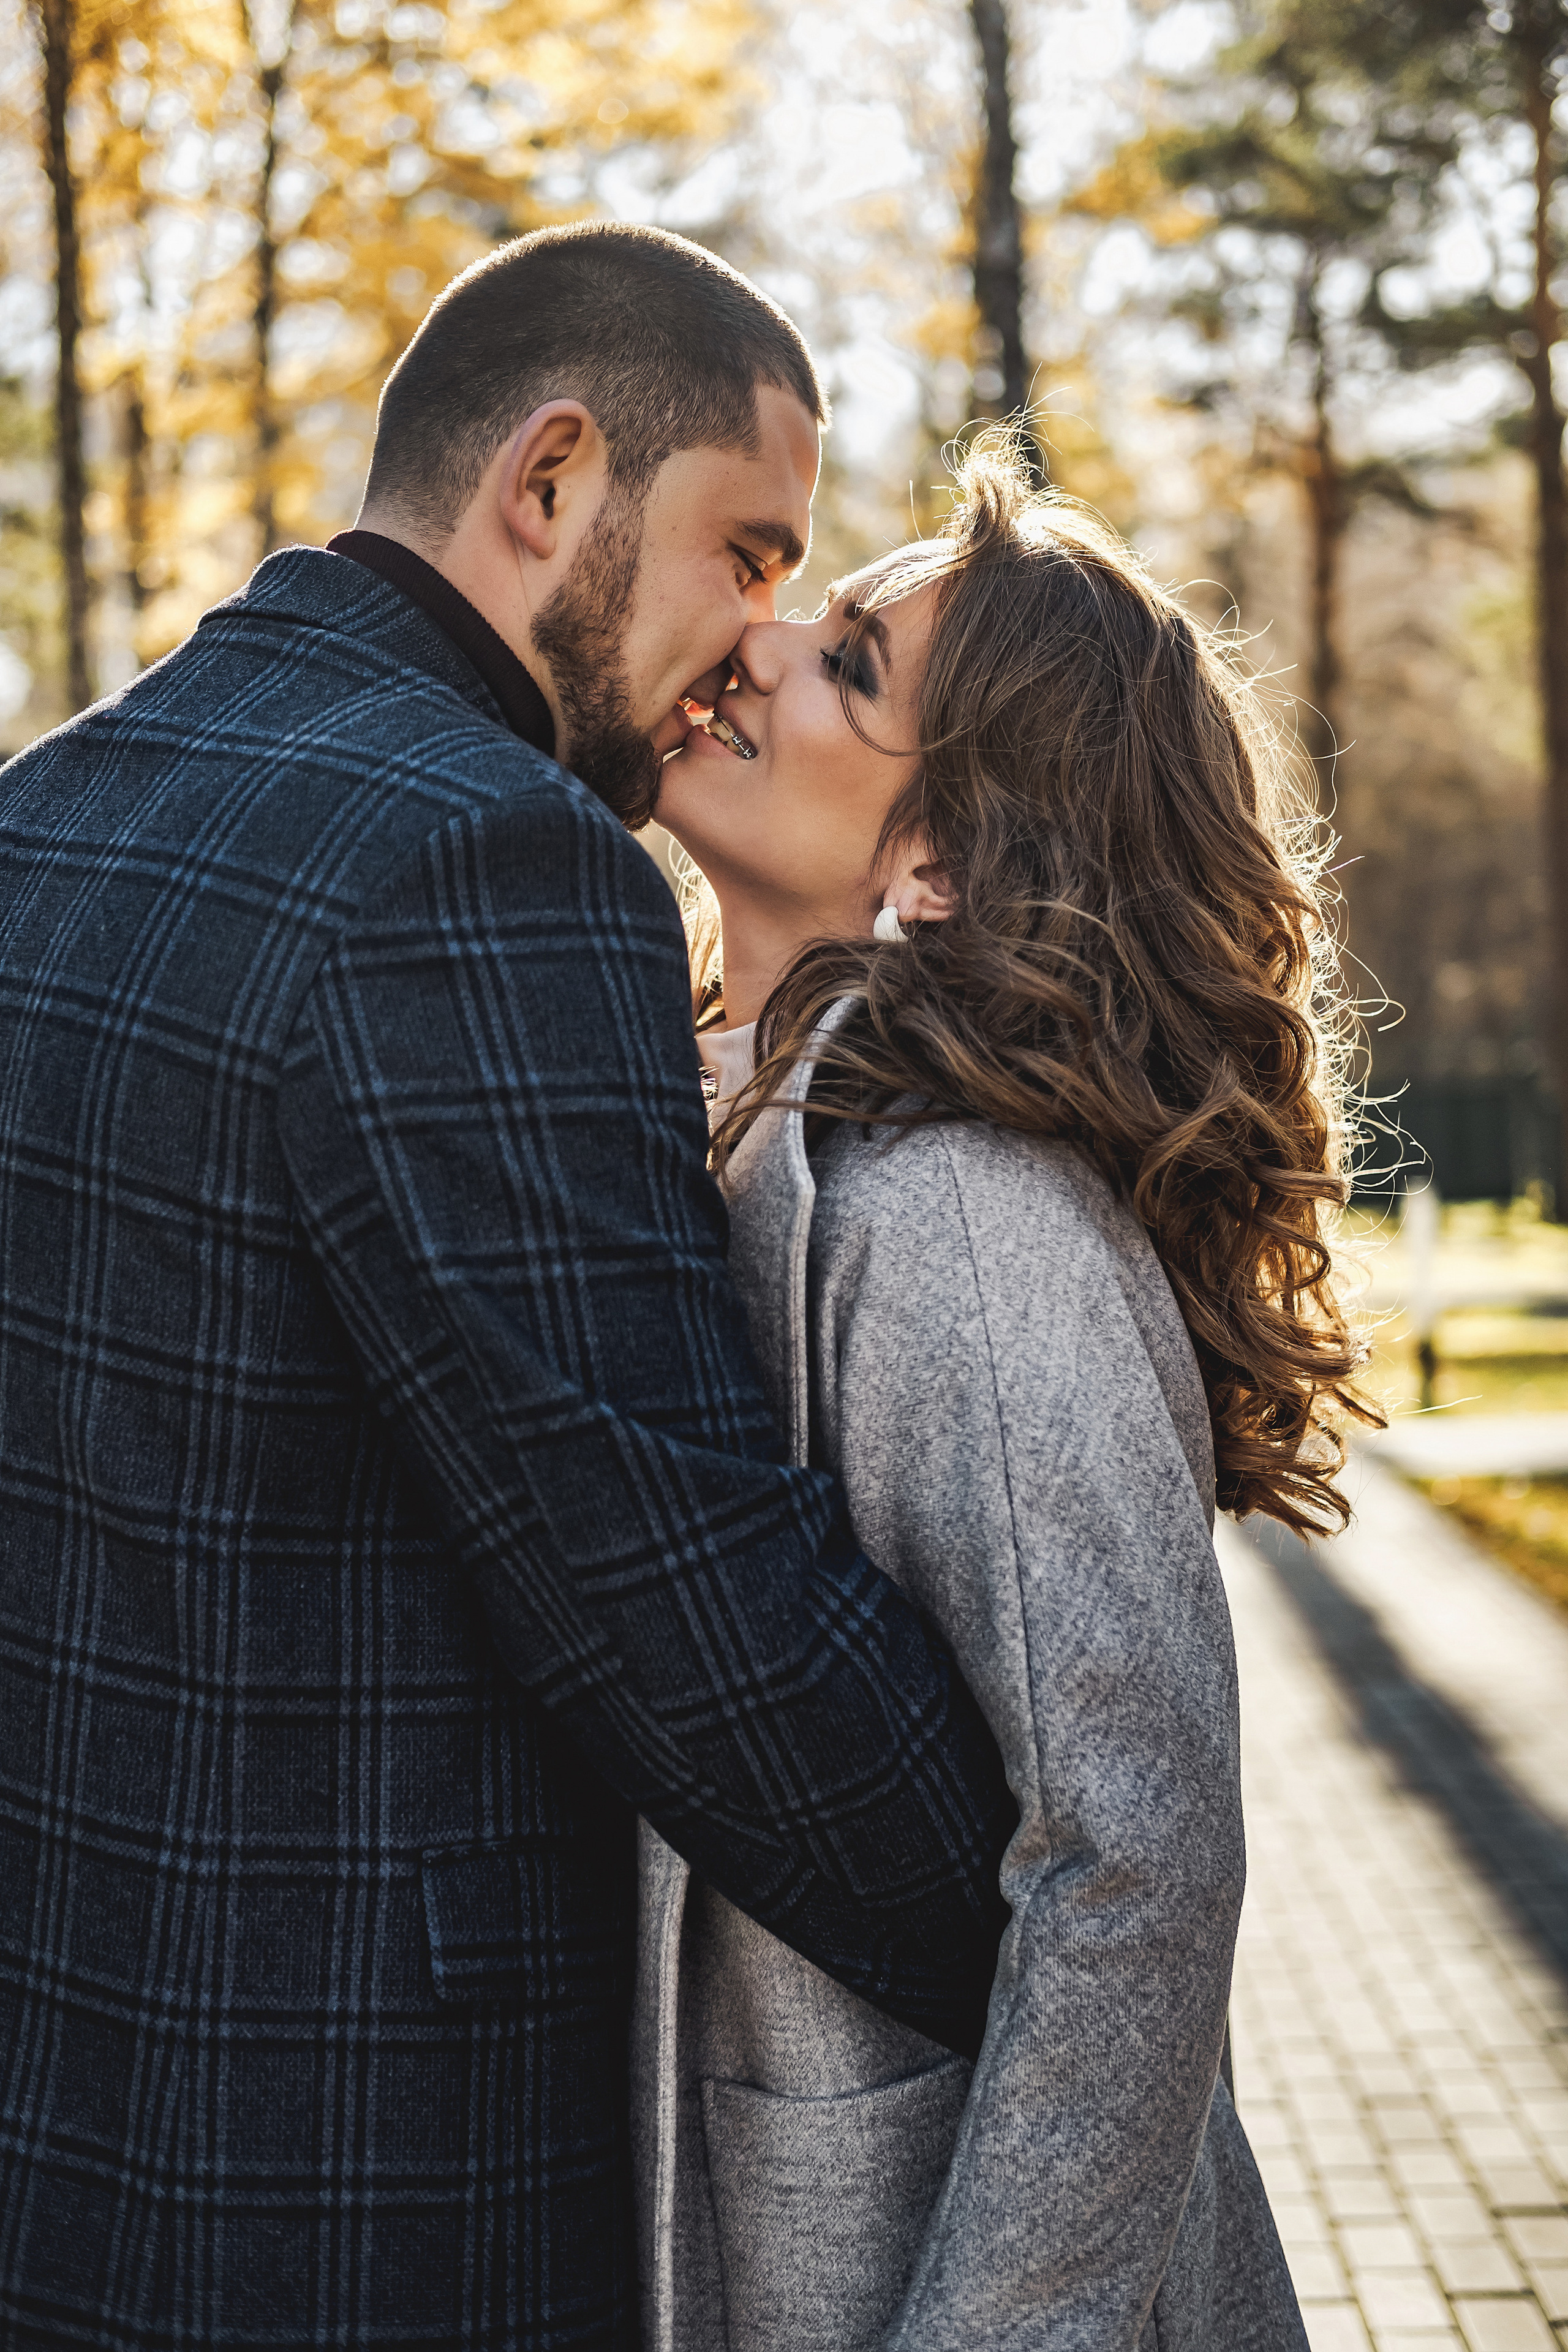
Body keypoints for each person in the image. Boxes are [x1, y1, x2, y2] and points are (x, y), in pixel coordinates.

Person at [0, 225, 1019, 2351]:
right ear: (553, 481)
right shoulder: (488, 866)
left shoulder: (47, 813)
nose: (751, 639)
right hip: (357, 2197)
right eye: (748, 552)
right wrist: (1060, 1940)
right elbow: (690, 1600)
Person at [644, 435, 1373, 2350]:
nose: (755, 646)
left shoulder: (966, 1222)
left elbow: (1137, 1859)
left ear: (941, 863)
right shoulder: (717, 1121)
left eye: (850, 665)